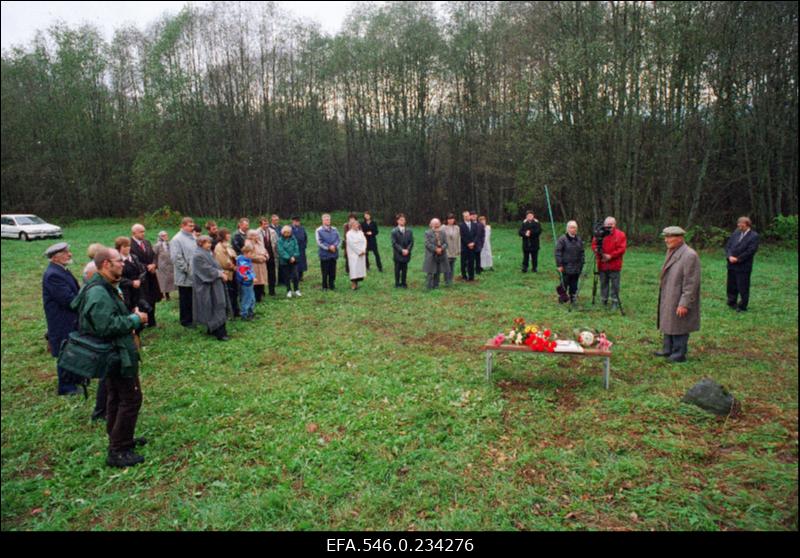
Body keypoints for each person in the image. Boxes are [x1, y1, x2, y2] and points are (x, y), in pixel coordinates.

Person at [71, 247, 148, 467]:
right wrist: (134, 319)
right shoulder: (98, 292)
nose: (122, 264)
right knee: (131, 398)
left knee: (116, 396)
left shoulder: (104, 287)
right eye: (118, 261)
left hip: (115, 352)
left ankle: (120, 438)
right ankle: (119, 450)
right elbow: (105, 325)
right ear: (106, 264)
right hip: (115, 352)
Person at [655, 226, 701, 363]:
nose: (666, 240)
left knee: (680, 323)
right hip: (671, 293)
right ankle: (667, 349)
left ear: (680, 238)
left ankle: (679, 353)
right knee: (669, 320)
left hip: (679, 296)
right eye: (665, 237)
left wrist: (684, 303)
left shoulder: (689, 255)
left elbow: (691, 283)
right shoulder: (672, 250)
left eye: (669, 237)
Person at [42, 242, 80, 396]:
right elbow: (68, 300)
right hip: (62, 321)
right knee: (65, 352)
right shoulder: (53, 275)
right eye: (65, 252)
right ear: (56, 257)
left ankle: (75, 378)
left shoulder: (61, 270)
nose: (69, 254)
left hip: (69, 319)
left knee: (72, 349)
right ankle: (66, 387)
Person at [192, 235, 231, 341]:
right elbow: (206, 270)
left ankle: (216, 329)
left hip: (215, 284)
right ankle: (220, 333)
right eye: (207, 243)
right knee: (214, 306)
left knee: (218, 305)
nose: (209, 245)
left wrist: (221, 271)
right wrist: (220, 274)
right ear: (200, 243)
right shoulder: (198, 255)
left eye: (210, 243)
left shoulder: (207, 253)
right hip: (207, 286)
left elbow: (215, 265)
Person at [591, 216, 627, 311]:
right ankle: (604, 300)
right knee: (603, 282)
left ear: (615, 225)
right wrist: (599, 253)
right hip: (602, 263)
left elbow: (622, 249)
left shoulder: (620, 235)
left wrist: (611, 256)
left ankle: (615, 301)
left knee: (615, 284)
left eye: (611, 225)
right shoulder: (599, 233)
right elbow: (594, 245)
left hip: (614, 264)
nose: (608, 227)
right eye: (607, 225)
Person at [725, 216, 760, 312]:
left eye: (741, 223)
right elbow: (728, 246)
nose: (739, 225)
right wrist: (729, 256)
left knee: (743, 286)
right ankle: (732, 302)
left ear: (747, 224)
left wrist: (738, 259)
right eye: (738, 223)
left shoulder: (754, 236)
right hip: (731, 264)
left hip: (743, 266)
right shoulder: (736, 233)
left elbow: (751, 251)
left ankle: (742, 306)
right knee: (731, 285)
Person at [130, 224, 161, 327]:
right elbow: (134, 261)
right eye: (141, 232)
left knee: (152, 297)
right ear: (134, 233)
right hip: (140, 276)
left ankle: (152, 321)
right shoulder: (130, 245)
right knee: (143, 298)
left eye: (144, 231)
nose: (143, 233)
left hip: (151, 275)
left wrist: (154, 265)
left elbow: (153, 256)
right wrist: (147, 267)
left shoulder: (147, 242)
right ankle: (143, 321)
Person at [170, 217, 197, 327]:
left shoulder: (193, 237)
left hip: (194, 274)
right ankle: (185, 321)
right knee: (185, 299)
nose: (192, 227)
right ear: (183, 226)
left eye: (192, 225)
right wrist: (188, 270)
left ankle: (192, 318)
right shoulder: (177, 239)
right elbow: (176, 258)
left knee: (192, 298)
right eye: (189, 226)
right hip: (184, 276)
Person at [116, 237, 145, 335]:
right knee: (128, 313)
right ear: (119, 248)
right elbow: (117, 277)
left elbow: (142, 270)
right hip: (125, 292)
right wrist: (131, 283)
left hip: (137, 291)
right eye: (125, 246)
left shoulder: (134, 257)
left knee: (138, 312)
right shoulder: (117, 261)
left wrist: (140, 280)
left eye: (129, 246)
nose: (128, 248)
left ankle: (138, 336)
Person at [555, 220, 585, 305]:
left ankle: (573, 297)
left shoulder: (579, 239)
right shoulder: (562, 239)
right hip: (565, 266)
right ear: (567, 229)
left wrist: (582, 262)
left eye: (575, 227)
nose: (574, 229)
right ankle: (562, 298)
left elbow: (582, 252)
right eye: (572, 227)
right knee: (564, 283)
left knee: (574, 284)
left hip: (577, 266)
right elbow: (558, 252)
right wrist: (559, 264)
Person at [214, 228, 239, 318]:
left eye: (229, 233)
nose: (229, 235)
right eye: (227, 234)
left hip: (233, 272)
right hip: (227, 273)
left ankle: (235, 311)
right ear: (222, 236)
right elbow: (222, 262)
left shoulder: (228, 245)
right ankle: (229, 313)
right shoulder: (219, 247)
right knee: (228, 294)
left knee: (234, 293)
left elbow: (234, 255)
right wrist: (233, 267)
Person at [423, 218, 449, 290]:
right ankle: (428, 287)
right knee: (430, 272)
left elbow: (446, 243)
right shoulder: (427, 233)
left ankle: (436, 286)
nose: (437, 225)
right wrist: (436, 249)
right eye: (435, 224)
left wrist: (441, 249)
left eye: (438, 223)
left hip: (441, 255)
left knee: (438, 271)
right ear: (431, 224)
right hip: (431, 255)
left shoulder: (443, 232)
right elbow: (427, 244)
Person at [316, 214, 340, 291]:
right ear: (322, 220)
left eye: (329, 219)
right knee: (325, 271)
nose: (328, 221)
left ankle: (332, 285)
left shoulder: (335, 229)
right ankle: (324, 286)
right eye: (326, 219)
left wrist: (334, 246)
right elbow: (319, 242)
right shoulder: (319, 230)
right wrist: (329, 247)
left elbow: (338, 239)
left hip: (334, 254)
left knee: (333, 271)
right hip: (325, 254)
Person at [277, 225, 302, 297]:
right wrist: (289, 258)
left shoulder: (294, 239)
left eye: (289, 232)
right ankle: (289, 290)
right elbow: (281, 251)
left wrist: (294, 256)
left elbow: (296, 248)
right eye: (286, 232)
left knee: (295, 275)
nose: (287, 234)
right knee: (287, 276)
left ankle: (296, 290)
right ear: (283, 233)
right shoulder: (280, 240)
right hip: (285, 261)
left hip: (294, 260)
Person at [391, 213, 414, 288]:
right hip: (398, 254)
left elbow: (411, 242)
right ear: (397, 221)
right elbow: (394, 243)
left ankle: (404, 283)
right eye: (401, 220)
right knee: (397, 270)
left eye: (404, 220)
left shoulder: (409, 231)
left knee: (405, 269)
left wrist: (407, 250)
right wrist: (402, 250)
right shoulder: (394, 231)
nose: (402, 221)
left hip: (406, 254)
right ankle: (397, 283)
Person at [153, 231, 175, 301]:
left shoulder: (169, 244)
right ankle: (162, 295)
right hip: (161, 265)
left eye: (166, 235)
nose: (165, 237)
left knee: (168, 280)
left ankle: (168, 294)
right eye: (163, 236)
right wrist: (155, 265)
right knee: (162, 281)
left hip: (169, 265)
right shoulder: (157, 245)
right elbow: (154, 255)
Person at [247, 229, 268, 302]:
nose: (257, 237)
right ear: (251, 236)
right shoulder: (248, 244)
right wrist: (259, 258)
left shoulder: (260, 243)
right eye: (256, 235)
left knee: (261, 280)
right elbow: (249, 255)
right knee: (256, 281)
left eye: (257, 235)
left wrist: (266, 256)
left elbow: (265, 251)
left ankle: (261, 295)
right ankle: (255, 297)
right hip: (254, 265)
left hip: (262, 265)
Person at [236, 244, 256, 319]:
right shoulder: (242, 261)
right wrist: (252, 277)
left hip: (249, 282)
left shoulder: (247, 260)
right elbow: (244, 273)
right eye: (251, 253)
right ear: (246, 253)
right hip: (245, 283)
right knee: (246, 299)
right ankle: (244, 314)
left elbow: (250, 270)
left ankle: (251, 312)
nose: (252, 255)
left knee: (252, 298)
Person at [259, 217, 278, 296]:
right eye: (264, 224)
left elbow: (276, 242)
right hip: (262, 255)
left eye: (267, 224)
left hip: (272, 254)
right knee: (262, 273)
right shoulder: (257, 232)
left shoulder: (273, 231)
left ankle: (272, 290)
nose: (266, 225)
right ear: (260, 225)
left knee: (272, 273)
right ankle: (262, 291)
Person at [346, 220, 368, 290]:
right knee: (354, 269)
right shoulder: (349, 233)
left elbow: (364, 241)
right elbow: (351, 244)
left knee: (359, 269)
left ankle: (357, 283)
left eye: (357, 224)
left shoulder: (361, 232)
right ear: (351, 225)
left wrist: (363, 250)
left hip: (362, 252)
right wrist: (359, 251)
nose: (356, 226)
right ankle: (353, 283)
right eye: (355, 225)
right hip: (354, 254)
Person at [459, 210, 479, 281]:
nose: (467, 217)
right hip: (464, 247)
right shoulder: (461, 225)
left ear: (470, 216)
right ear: (463, 217)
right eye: (465, 216)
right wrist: (468, 243)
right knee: (463, 262)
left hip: (473, 247)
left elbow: (477, 235)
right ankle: (464, 276)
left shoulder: (475, 225)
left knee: (471, 262)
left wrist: (473, 243)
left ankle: (471, 277)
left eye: (468, 216)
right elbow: (462, 236)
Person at [442, 213, 461, 286]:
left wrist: (459, 249)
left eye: (452, 219)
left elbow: (459, 239)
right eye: (449, 219)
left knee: (452, 266)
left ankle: (451, 280)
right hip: (446, 249)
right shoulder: (443, 227)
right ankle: (446, 281)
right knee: (447, 266)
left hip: (454, 249)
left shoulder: (457, 227)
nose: (451, 220)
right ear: (447, 220)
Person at [291, 216, 308, 281]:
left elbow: (305, 237)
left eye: (298, 221)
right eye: (296, 221)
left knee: (302, 262)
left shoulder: (302, 228)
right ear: (293, 221)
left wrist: (304, 245)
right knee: (294, 262)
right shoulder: (290, 228)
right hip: (293, 248)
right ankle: (294, 277)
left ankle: (301, 276)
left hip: (301, 248)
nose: (298, 222)